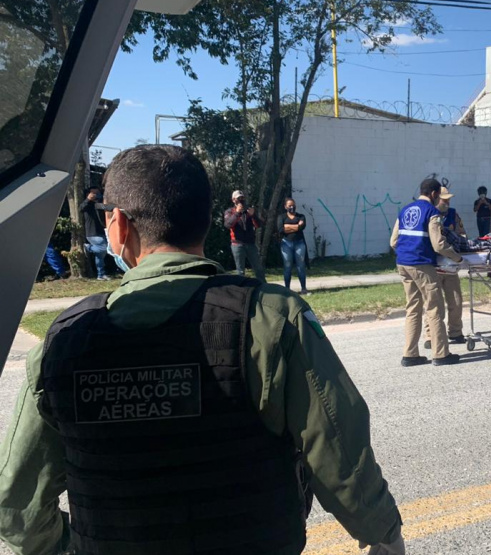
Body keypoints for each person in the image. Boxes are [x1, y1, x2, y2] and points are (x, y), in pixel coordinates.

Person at [0, 145, 405, 555]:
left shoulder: (64, 340)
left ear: (118, 225)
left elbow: (15, 508)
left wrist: (74, 543)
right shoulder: (270, 319)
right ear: (206, 219)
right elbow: (341, 454)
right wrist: (384, 536)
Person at [390, 178, 463, 367]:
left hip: (403, 263)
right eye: (439, 195)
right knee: (434, 308)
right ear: (433, 194)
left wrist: (407, 251)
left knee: (413, 308)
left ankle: (410, 354)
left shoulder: (405, 210)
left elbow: (393, 242)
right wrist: (457, 258)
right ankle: (441, 354)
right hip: (422, 265)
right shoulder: (432, 212)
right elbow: (439, 244)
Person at [424, 187, 464, 349]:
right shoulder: (429, 214)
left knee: (455, 300)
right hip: (432, 265)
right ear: (435, 198)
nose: (447, 202)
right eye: (444, 199)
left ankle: (455, 332)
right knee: (432, 304)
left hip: (450, 265)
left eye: (448, 199)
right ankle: (429, 335)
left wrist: (460, 250)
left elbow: (462, 234)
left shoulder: (453, 214)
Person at [223, 189, 266, 282]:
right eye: (238, 198)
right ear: (233, 200)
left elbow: (258, 225)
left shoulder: (249, 211)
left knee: (258, 268)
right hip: (237, 244)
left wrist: (253, 215)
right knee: (240, 270)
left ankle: (263, 286)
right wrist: (237, 213)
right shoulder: (229, 211)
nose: (241, 200)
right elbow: (228, 224)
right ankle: (242, 290)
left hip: (250, 243)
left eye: (242, 198)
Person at [276, 197, 310, 294]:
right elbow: (281, 230)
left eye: (293, 205)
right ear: (285, 206)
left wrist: (288, 226)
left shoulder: (301, 216)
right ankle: (287, 289)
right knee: (287, 266)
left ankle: (303, 288)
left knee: (301, 266)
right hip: (286, 243)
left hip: (299, 243)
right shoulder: (281, 217)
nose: (292, 207)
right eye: (289, 205)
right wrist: (296, 226)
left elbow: (302, 227)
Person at [79, 186, 111, 280]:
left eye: (98, 193)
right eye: (94, 193)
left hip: (101, 231)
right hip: (92, 233)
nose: (96, 195)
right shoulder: (88, 205)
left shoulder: (98, 204)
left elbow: (107, 207)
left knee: (100, 255)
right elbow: (81, 208)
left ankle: (101, 274)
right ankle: (88, 247)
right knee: (103, 248)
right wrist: (88, 199)